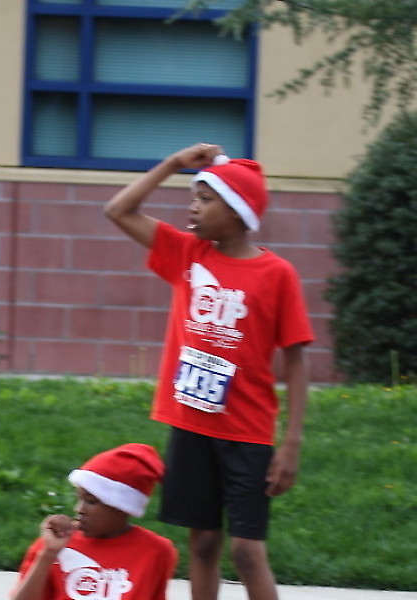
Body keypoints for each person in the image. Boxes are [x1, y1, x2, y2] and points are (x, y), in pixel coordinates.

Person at [104, 143, 315, 600]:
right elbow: (118, 210)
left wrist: (292, 442)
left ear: (238, 211)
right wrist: (173, 163)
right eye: (194, 197)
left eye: (205, 198)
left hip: (248, 434)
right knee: (201, 543)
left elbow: (297, 360)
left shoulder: (277, 274)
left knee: (247, 552)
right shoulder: (187, 255)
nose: (193, 207)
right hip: (191, 426)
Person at [8, 443, 177, 600]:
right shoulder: (53, 545)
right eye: (79, 499)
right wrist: (48, 554)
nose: (79, 509)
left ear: (121, 506)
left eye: (91, 501)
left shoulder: (156, 552)